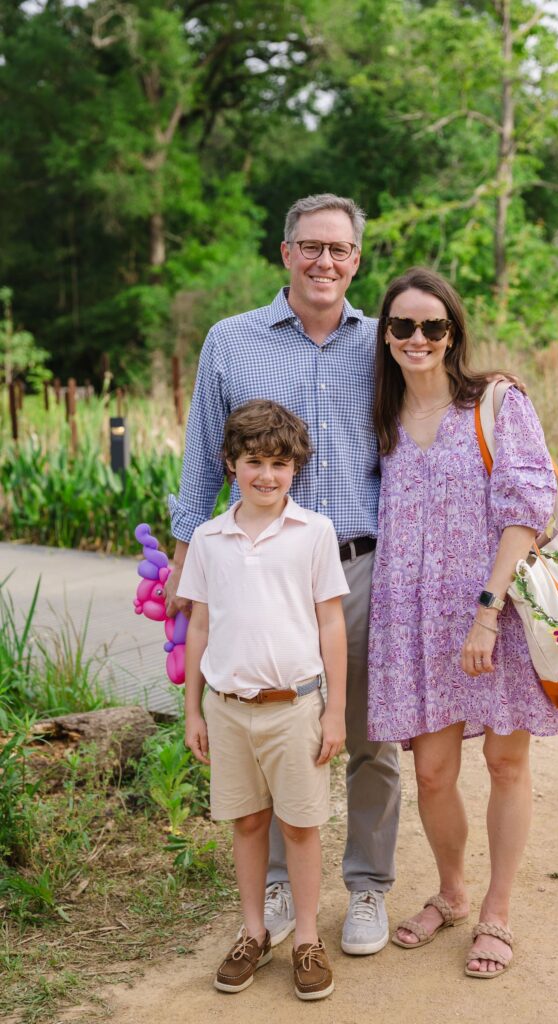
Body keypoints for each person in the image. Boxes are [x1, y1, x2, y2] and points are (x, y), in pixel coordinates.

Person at [166, 193, 400, 955]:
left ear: (356, 260)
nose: (323, 261)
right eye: (310, 247)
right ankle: (270, 884)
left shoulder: (386, 342)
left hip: (359, 566)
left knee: (366, 736)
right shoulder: (231, 342)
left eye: (338, 249)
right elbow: (204, 452)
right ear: (285, 252)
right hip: (255, 569)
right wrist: (181, 557)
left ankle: (365, 888)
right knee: (264, 721)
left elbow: (435, 413)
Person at [367, 267, 558, 978]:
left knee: (503, 760)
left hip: (495, 611)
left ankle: (496, 909)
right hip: (412, 620)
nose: (418, 337)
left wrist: (486, 616)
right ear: (386, 334)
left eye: (432, 325)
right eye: (402, 325)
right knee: (430, 773)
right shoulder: (380, 416)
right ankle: (451, 892)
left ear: (453, 331)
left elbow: (528, 505)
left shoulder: (494, 401)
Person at [180, 399, 348, 1000]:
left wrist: (334, 710)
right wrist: (193, 710)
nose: (266, 475)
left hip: (295, 706)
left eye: (279, 463)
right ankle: (254, 932)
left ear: (295, 469)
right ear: (231, 464)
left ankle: (306, 938)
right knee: (248, 822)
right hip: (227, 708)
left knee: (300, 826)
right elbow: (198, 626)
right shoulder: (208, 538)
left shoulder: (314, 533)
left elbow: (331, 624)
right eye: (254, 462)